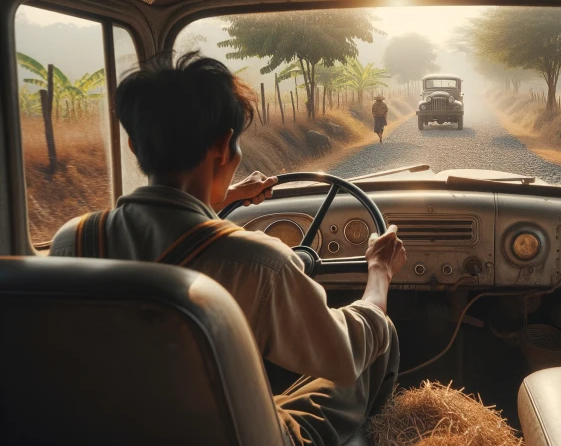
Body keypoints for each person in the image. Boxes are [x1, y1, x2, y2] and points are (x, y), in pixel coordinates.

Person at [49, 52, 407, 446]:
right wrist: (379, 273)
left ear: (134, 145)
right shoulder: (259, 263)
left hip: (117, 429)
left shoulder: (73, 240)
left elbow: (164, 228)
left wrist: (228, 195)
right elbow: (344, 354)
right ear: (223, 147)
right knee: (378, 334)